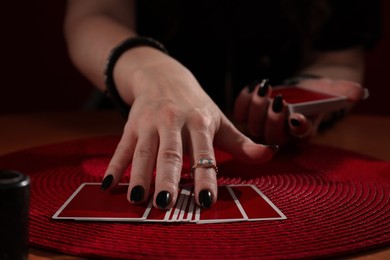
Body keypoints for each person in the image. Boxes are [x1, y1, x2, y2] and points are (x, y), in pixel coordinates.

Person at [63, 0, 382, 210]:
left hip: (280, 150)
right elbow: (92, 15)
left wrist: (302, 98)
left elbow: (340, 61)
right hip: (124, 119)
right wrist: (155, 73)